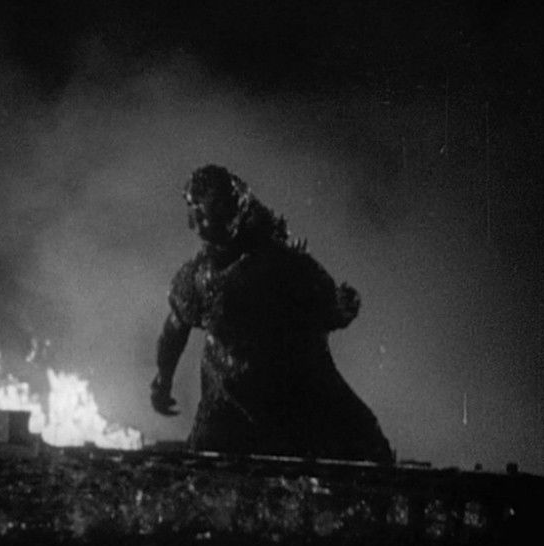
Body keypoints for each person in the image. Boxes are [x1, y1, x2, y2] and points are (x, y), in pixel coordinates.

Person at [150, 165, 393, 463]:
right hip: (231, 413)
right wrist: (162, 379)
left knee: (366, 445)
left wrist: (343, 306)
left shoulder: (284, 264)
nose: (198, 222)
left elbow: (331, 311)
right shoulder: (200, 276)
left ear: (232, 208)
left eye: (205, 211)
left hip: (289, 404)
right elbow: (175, 328)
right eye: (195, 211)